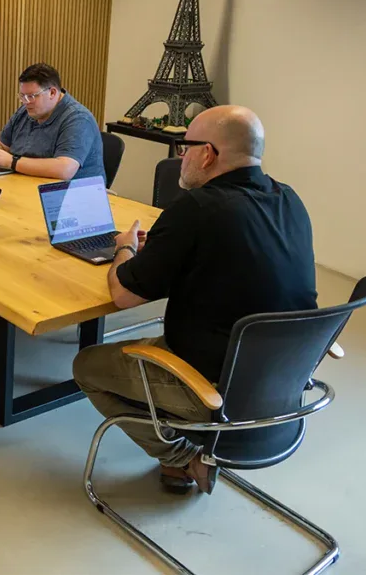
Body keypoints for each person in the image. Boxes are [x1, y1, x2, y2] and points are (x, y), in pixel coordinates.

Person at [72, 105, 317, 494]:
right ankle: (182, 457)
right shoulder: (290, 200)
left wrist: (124, 249)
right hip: (283, 379)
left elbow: (123, 294)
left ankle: (182, 458)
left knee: (86, 365)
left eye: (184, 147)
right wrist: (170, 249)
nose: (179, 156)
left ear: (208, 153)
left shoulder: (196, 209)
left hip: (216, 386)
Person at [0, 63, 104, 180]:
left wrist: (12, 162)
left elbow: (65, 169)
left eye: (31, 96)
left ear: (52, 93)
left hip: (72, 194)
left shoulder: (78, 119)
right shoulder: (26, 111)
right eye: (22, 96)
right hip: (27, 184)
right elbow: (2, 145)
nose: (25, 102)